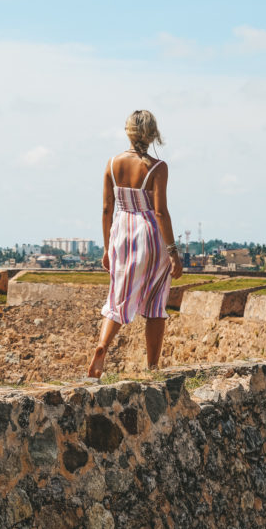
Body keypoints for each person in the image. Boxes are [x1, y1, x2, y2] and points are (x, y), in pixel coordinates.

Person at [87, 110, 183, 379]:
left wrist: (107, 248)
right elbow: (161, 211)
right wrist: (173, 252)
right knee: (155, 304)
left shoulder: (112, 164)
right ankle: (152, 368)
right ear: (153, 134)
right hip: (150, 234)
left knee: (118, 296)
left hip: (121, 232)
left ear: (128, 132)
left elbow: (107, 209)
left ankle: (102, 346)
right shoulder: (157, 167)